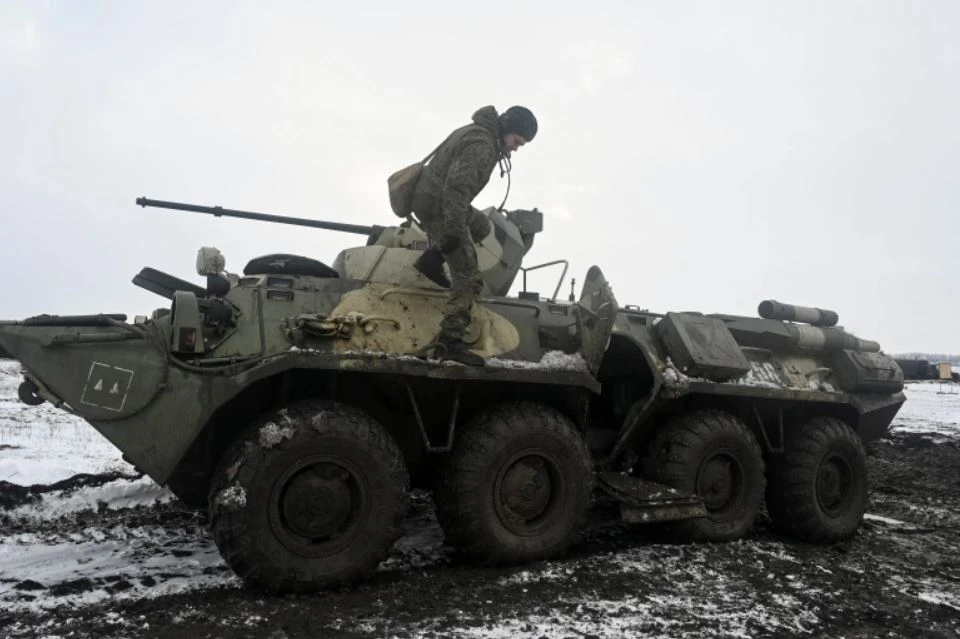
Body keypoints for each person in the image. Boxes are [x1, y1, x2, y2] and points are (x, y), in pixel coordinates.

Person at [411, 105, 538, 366]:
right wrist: (453, 233)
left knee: (482, 226)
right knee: (469, 278)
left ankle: (431, 258)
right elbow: (457, 190)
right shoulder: (483, 145)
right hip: (439, 205)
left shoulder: (479, 131)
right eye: (517, 141)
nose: (516, 148)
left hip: (434, 197)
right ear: (508, 128)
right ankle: (450, 342)